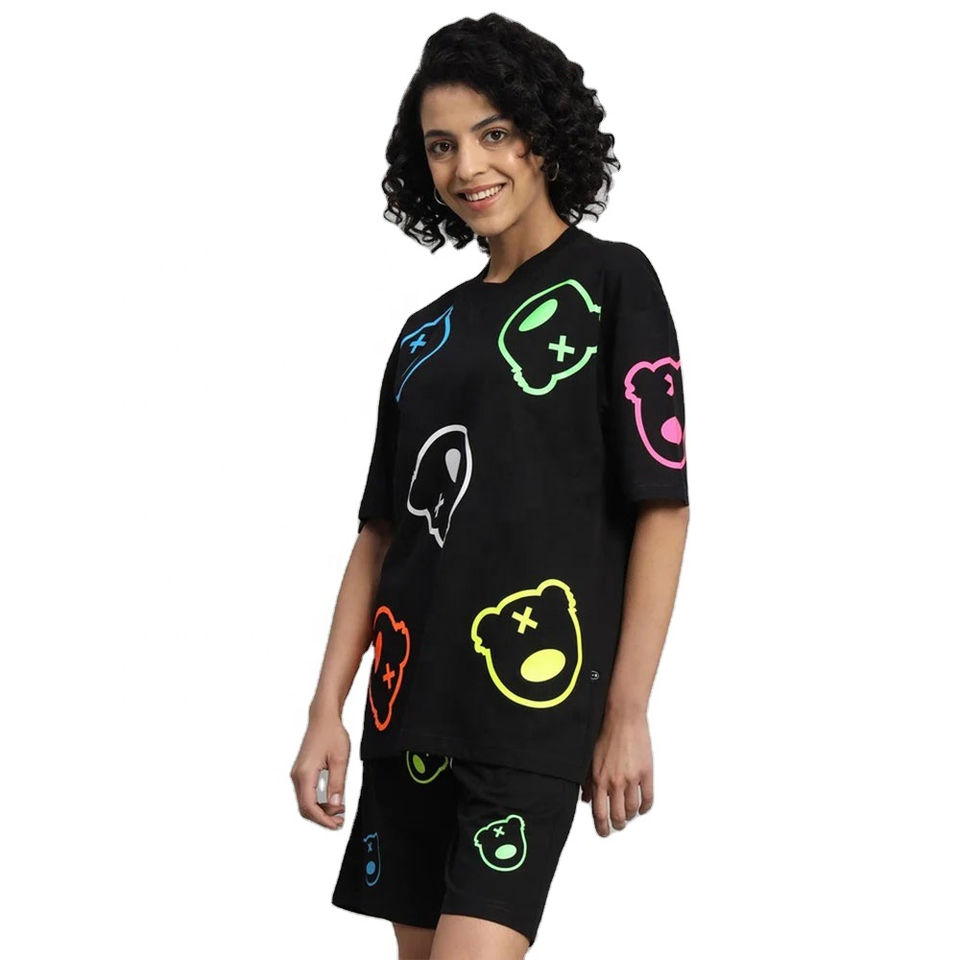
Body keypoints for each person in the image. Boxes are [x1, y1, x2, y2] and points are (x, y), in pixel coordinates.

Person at [290, 13, 690, 959]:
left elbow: (662, 506)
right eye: (441, 145)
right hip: (406, 717)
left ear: (542, 134)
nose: (467, 166)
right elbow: (380, 536)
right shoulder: (423, 334)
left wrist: (627, 708)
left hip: (529, 717)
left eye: (493, 132)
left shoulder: (614, 284)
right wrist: (324, 713)